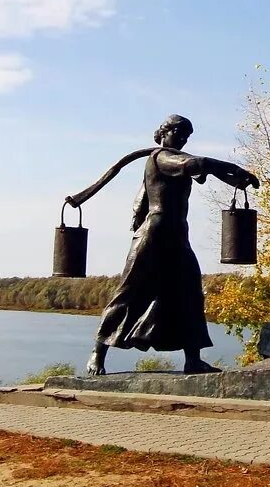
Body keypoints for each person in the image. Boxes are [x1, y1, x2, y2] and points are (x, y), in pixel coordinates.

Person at [85, 115, 259, 376]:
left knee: (190, 294)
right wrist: (232, 166)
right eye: (178, 132)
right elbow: (197, 163)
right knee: (129, 292)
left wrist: (234, 179)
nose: (182, 138)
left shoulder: (175, 159)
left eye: (186, 135)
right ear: (164, 132)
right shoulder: (161, 158)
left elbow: (201, 169)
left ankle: (193, 360)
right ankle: (97, 354)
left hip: (178, 235)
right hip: (154, 234)